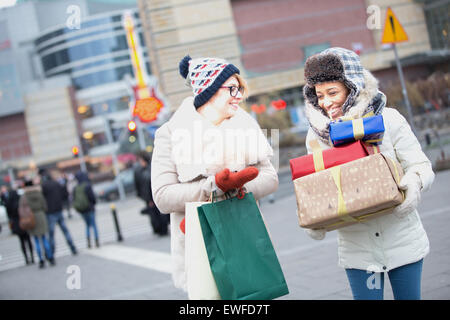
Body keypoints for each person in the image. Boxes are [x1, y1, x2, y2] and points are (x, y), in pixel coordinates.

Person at [302, 47, 435, 300]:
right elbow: (318, 185)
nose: (326, 102)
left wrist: (414, 183)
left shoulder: (390, 119)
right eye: (319, 95)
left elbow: (422, 166)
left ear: (353, 87)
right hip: (357, 248)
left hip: (402, 240)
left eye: (333, 92)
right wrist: (315, 216)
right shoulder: (317, 135)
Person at [151, 55, 278, 291]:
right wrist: (213, 187)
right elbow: (162, 196)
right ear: (208, 91)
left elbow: (270, 177)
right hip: (201, 247)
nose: (239, 95)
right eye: (231, 88)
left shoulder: (244, 124)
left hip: (246, 237)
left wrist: (237, 186)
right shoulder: (170, 133)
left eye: (240, 88)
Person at [39, 169, 77, 255]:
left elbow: (42, 200)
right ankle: (73, 247)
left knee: (51, 234)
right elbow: (64, 194)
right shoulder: (56, 184)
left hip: (50, 212)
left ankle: (51, 253)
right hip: (58, 210)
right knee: (65, 230)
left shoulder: (43, 186)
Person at [20, 179, 54, 268]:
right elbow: (44, 205)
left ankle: (41, 260)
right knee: (44, 238)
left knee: (36, 240)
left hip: (31, 218)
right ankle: (50, 257)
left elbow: (21, 209)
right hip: (41, 215)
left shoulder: (24, 196)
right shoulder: (39, 193)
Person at [134, 150, 169, 236]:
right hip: (149, 197)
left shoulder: (149, 169)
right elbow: (139, 185)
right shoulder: (141, 170)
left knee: (159, 215)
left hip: (153, 196)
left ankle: (162, 229)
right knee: (155, 215)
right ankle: (159, 229)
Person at [1, 185, 34, 265]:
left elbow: (9, 215)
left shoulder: (9, 202)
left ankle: (26, 258)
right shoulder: (20, 200)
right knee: (28, 239)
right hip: (25, 221)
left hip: (16, 224)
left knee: (22, 241)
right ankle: (32, 257)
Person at [73, 171, 100, 248]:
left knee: (87, 226)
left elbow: (74, 199)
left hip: (82, 210)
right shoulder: (87, 186)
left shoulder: (76, 188)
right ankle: (96, 240)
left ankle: (88, 242)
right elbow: (92, 197)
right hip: (90, 208)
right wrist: (93, 204)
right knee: (94, 225)